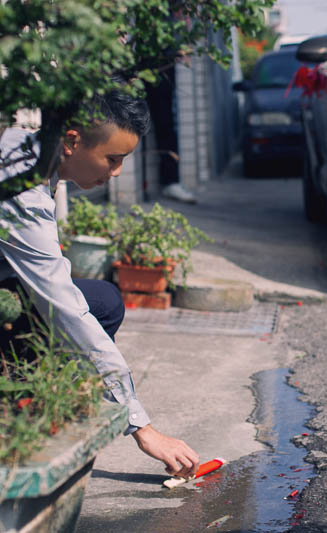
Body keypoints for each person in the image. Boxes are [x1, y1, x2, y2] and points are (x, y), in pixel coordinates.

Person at [0, 90, 200, 478]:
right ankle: (22, 418)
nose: (117, 172)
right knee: (86, 307)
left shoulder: (23, 150)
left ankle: (34, 401)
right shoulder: (21, 187)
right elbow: (63, 306)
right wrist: (142, 426)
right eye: (112, 159)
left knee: (103, 300)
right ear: (72, 141)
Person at [145, 64, 198, 204]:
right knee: (162, 123)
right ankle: (167, 183)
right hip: (145, 61)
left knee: (166, 123)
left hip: (161, 62)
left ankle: (171, 182)